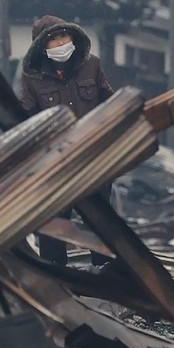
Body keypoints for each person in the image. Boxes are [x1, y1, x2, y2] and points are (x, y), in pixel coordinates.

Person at [19, 15, 115, 265]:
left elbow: (110, 102)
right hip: (55, 162)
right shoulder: (32, 77)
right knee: (54, 223)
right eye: (52, 39)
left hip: (93, 157)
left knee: (99, 221)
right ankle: (58, 281)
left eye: (63, 36)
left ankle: (107, 275)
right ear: (41, 46)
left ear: (73, 37)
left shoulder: (91, 65)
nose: (60, 42)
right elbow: (24, 117)